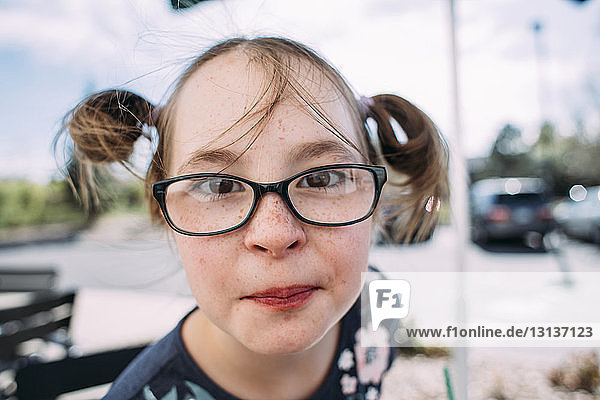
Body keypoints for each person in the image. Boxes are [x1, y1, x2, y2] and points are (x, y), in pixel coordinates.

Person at [58, 36, 448, 400]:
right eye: (217, 186)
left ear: (375, 201)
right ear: (165, 214)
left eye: (322, 178)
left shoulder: (374, 311)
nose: (275, 233)